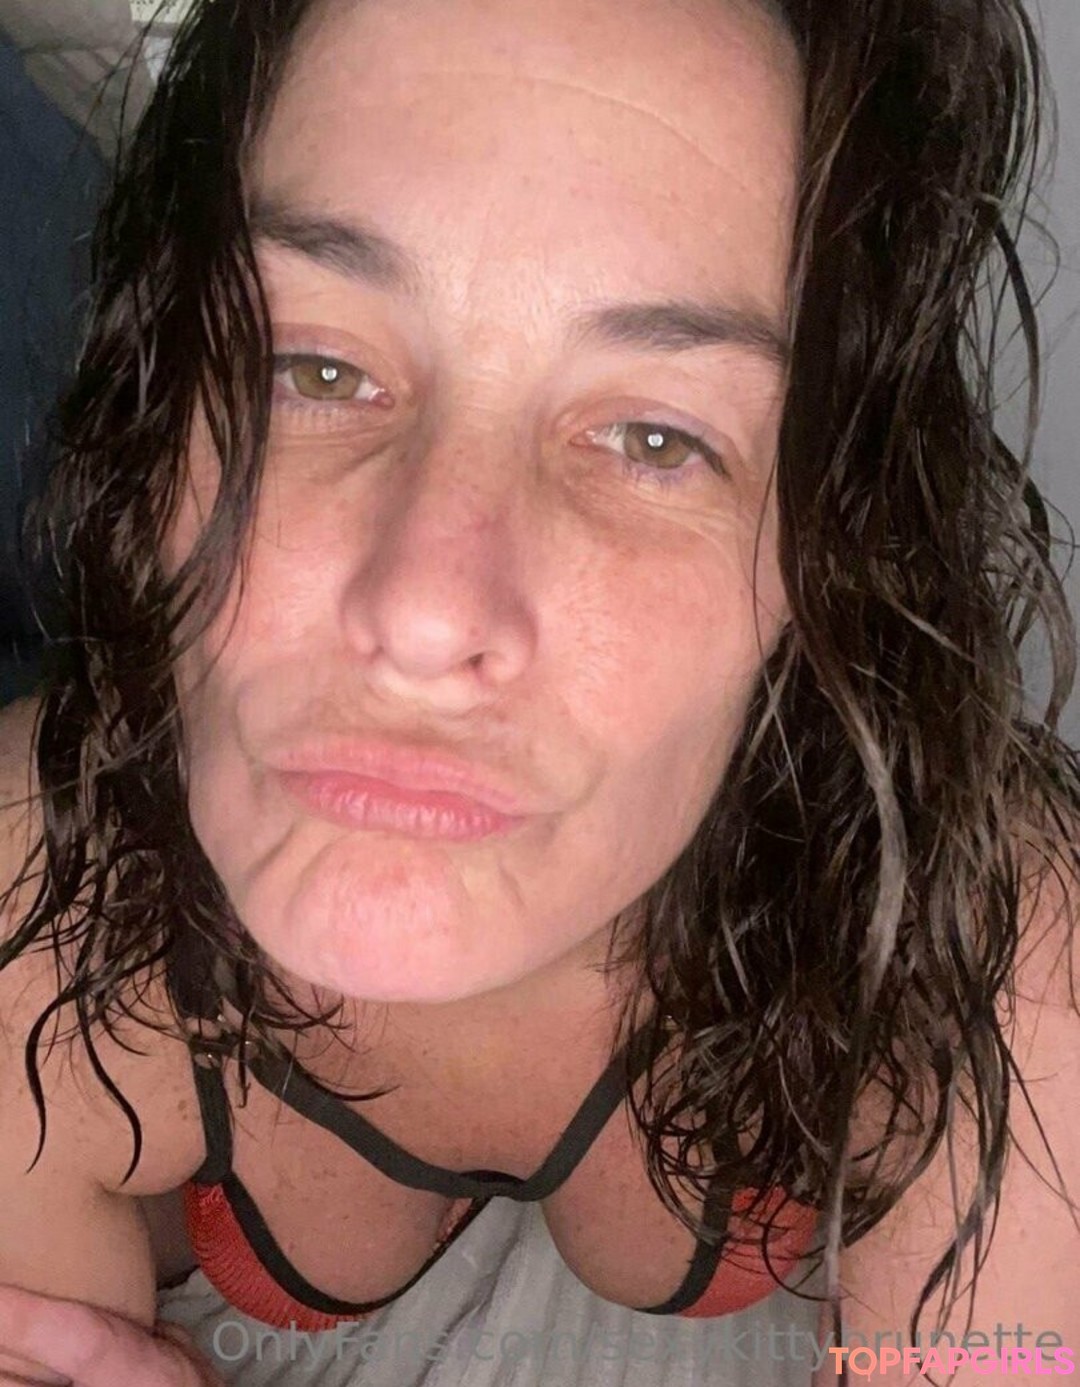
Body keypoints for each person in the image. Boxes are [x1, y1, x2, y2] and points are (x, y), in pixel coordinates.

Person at [0, 0, 1077, 1382]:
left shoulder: (1000, 963)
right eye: (314, 367)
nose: (426, 611)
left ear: (824, 553)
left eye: (653, 439)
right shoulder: (31, 895)